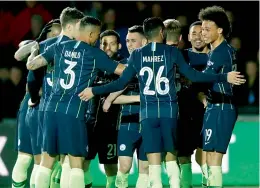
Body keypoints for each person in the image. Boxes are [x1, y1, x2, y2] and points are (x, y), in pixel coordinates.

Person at [78, 17, 246, 188]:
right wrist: (224, 76)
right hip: (168, 112)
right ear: (161, 32)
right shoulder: (172, 52)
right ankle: (175, 185)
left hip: (148, 114)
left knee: (154, 161)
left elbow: (120, 83)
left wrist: (95, 90)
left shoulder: (137, 55)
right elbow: (194, 76)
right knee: (171, 156)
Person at [26, 15, 126, 188]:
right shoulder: (95, 54)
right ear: (92, 34)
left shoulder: (58, 46)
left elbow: (32, 65)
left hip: (50, 110)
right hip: (73, 112)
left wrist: (34, 51)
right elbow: (123, 71)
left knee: (47, 161)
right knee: (76, 163)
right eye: (97, 35)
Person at [11, 18, 61, 188]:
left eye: (59, 34)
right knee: (25, 158)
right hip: (31, 105)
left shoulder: (66, 53)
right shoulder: (38, 46)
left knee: (44, 163)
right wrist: (37, 43)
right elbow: (18, 55)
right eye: (52, 33)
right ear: (46, 33)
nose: (56, 37)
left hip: (50, 107)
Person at [102, 25, 149, 188]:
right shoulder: (120, 66)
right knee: (124, 167)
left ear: (144, 41)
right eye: (127, 41)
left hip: (149, 122)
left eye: (133, 41)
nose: (129, 44)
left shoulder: (154, 66)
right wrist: (138, 97)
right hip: (127, 122)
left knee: (145, 169)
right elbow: (112, 99)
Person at [198, 6, 240, 187]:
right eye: (202, 29)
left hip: (223, 107)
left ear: (220, 30)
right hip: (214, 106)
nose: (203, 34)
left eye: (207, 30)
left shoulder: (222, 51)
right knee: (207, 157)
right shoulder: (215, 51)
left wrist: (186, 74)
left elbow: (203, 77)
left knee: (214, 158)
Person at [84, 30, 124, 188]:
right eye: (104, 43)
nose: (107, 47)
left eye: (112, 43)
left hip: (112, 125)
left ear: (119, 46)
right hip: (90, 122)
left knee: (110, 166)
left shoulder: (124, 65)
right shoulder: (91, 63)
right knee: (83, 163)